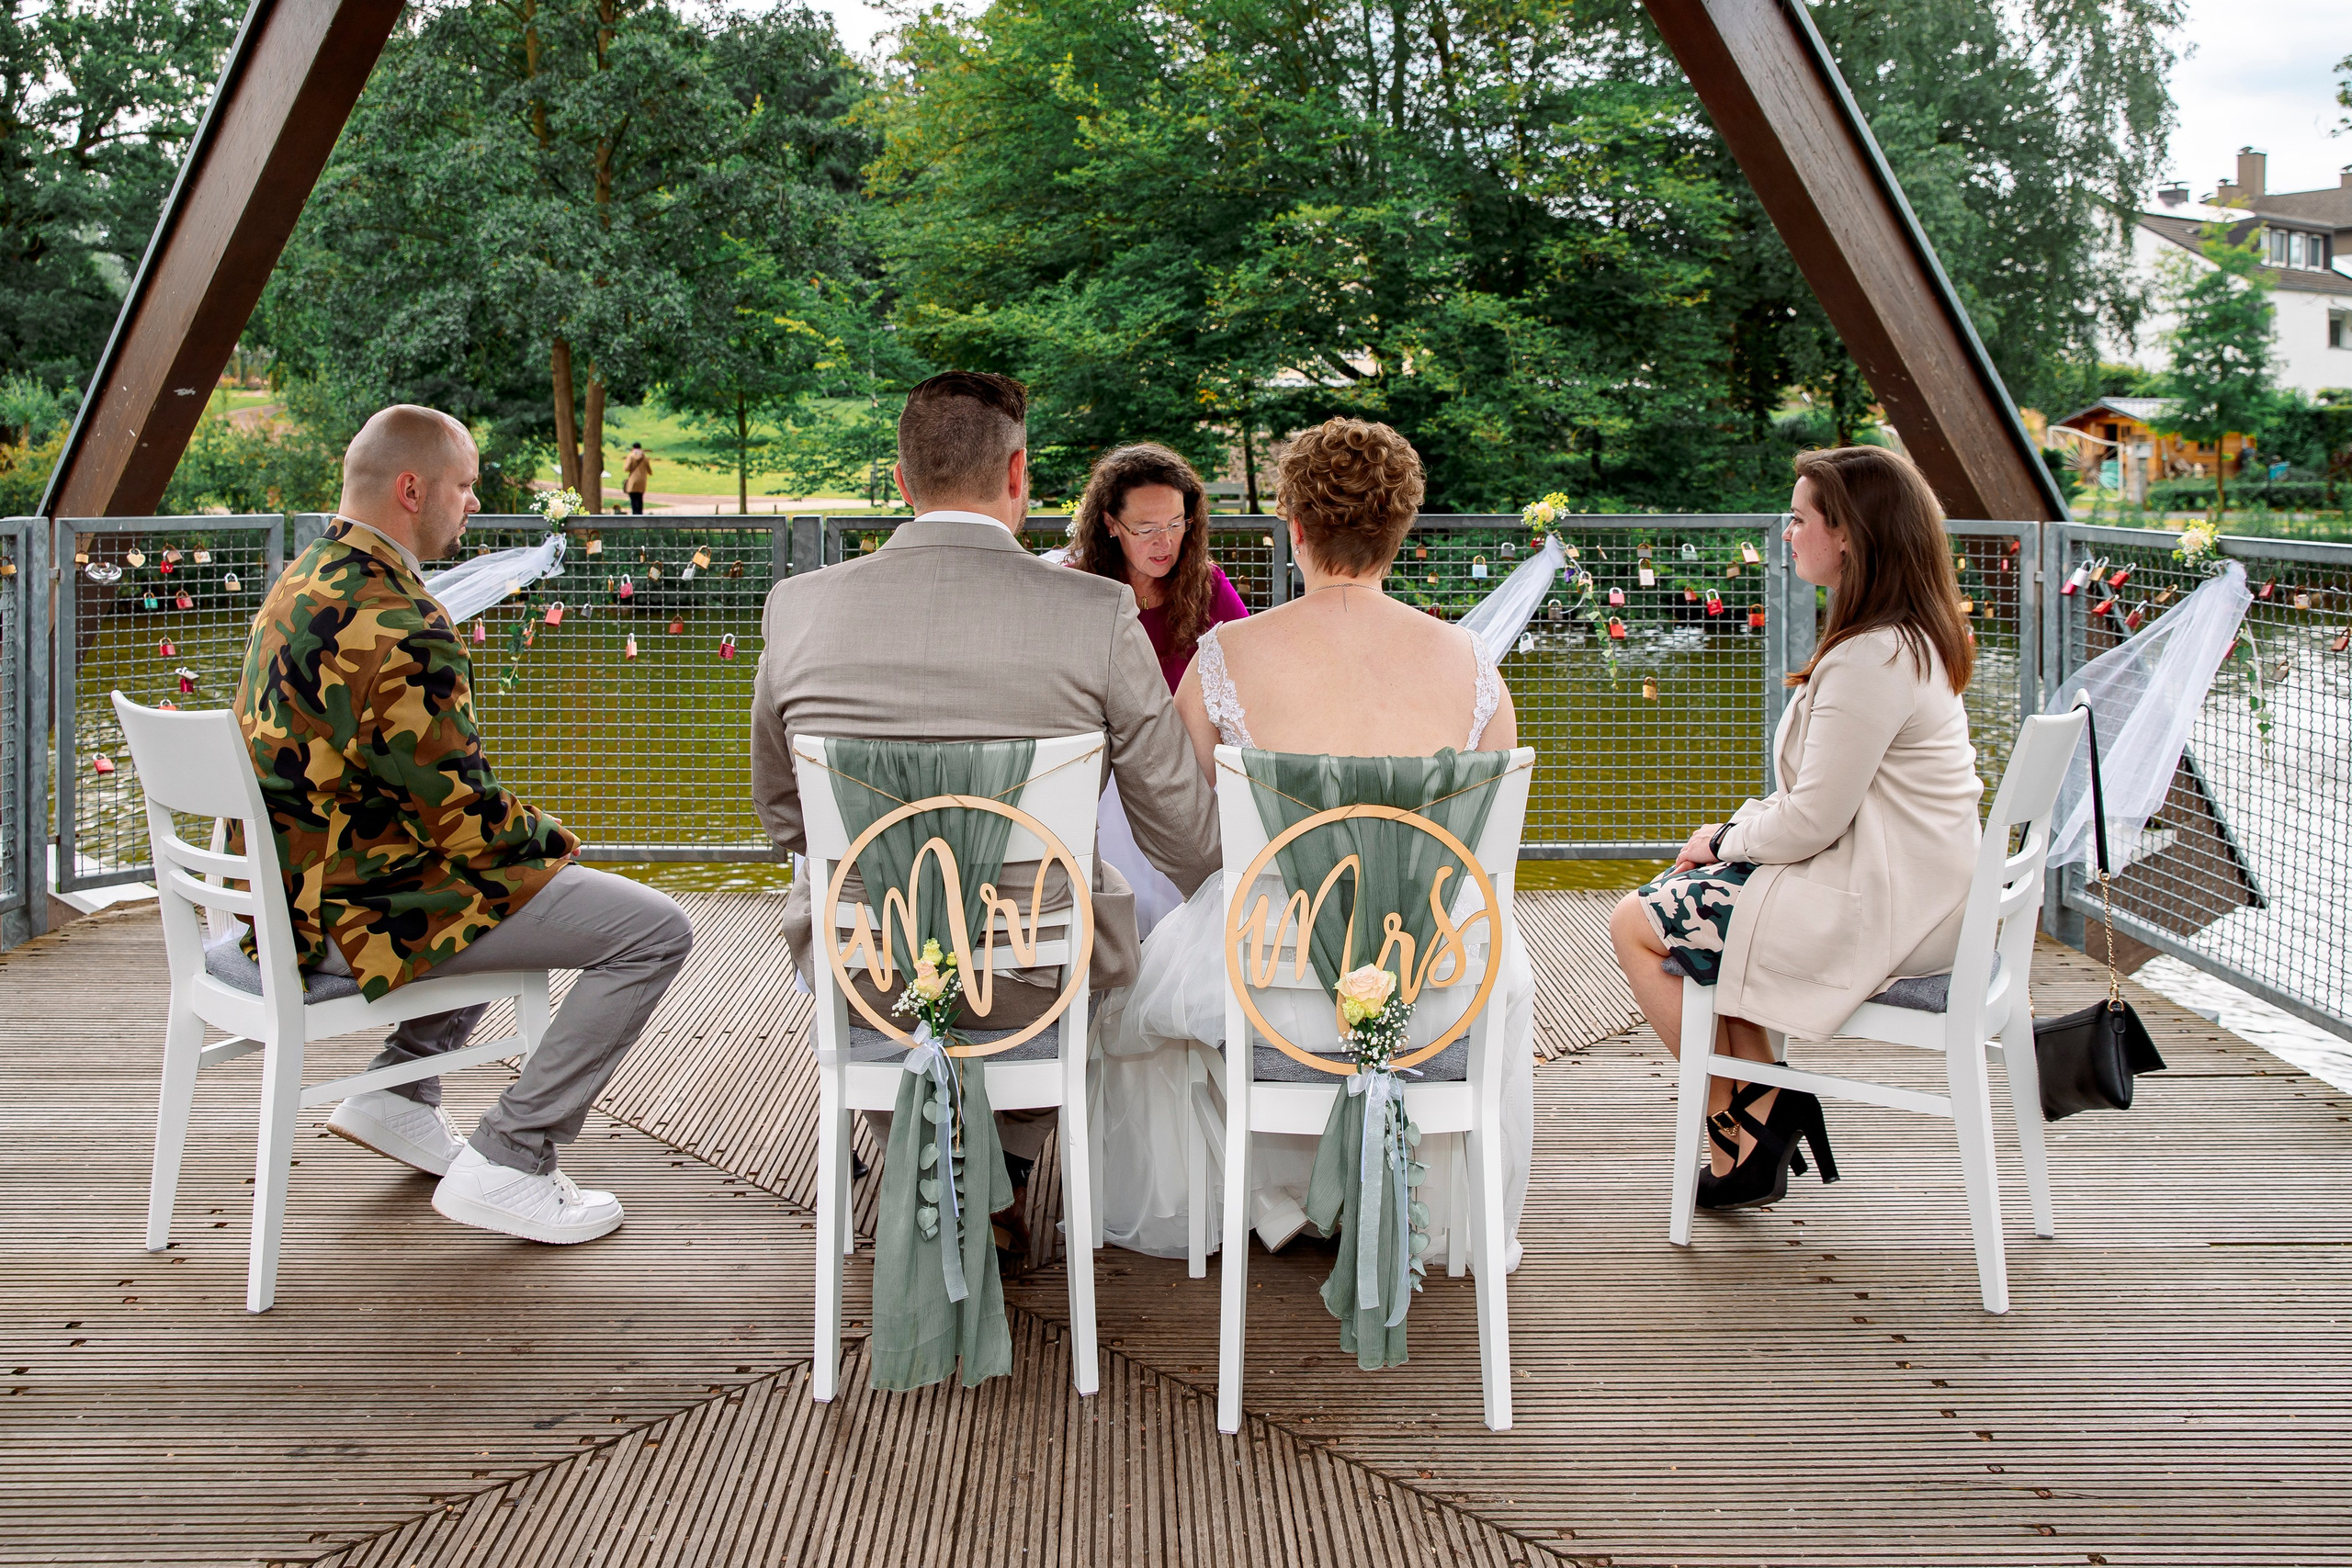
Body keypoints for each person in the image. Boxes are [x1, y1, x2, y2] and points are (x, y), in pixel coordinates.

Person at [750, 371, 1222, 1238]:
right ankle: (1000, 1165)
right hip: (1031, 976)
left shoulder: (798, 608)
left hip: (869, 968)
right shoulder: (1098, 609)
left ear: (902, 483)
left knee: (843, 909)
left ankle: (917, 1155)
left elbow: (785, 817)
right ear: (1017, 477)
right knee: (1107, 911)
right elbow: (1184, 830)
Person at [235, 404, 695, 1245]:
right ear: (412, 489)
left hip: (287, 901)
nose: (474, 504)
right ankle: (515, 1155)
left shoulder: (300, 583)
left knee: (515, 879)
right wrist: (558, 844)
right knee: (652, 929)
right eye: (465, 485)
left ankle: (399, 1093)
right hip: (356, 917)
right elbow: (470, 823)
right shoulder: (401, 619)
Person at [1093, 416, 1538, 1269]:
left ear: (1293, 524)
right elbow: (1476, 856)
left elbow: (1179, 827)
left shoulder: (1225, 655)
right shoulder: (1475, 665)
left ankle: (1272, 1194)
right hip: (1431, 982)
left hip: (1274, 981)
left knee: (1146, 1005)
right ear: (1401, 528)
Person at [1607, 445, 1983, 1209]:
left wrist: (1718, 840)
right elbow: (1821, 806)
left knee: (1635, 922)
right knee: (1700, 908)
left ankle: (1737, 1121)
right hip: (1916, 888)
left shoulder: (1871, 658)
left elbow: (1813, 817)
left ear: (1847, 533)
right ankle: (1761, 1121)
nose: (1787, 532)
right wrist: (1732, 835)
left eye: (1799, 517)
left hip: (1892, 910)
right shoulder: (1911, 639)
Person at [1065, 443, 1250, 936]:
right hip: (1101, 772)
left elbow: (1246, 668)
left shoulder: (1206, 584)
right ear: (1110, 523)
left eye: (1176, 523)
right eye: (1145, 529)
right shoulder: (1077, 586)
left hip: (1189, 773)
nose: (1164, 542)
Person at [624, 442, 651, 514]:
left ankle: (634, 514)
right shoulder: (645, 458)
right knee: (640, 499)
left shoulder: (630, 456)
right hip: (642, 481)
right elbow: (650, 471)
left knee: (633, 499)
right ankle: (640, 514)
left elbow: (626, 468)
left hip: (633, 481)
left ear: (633, 448)